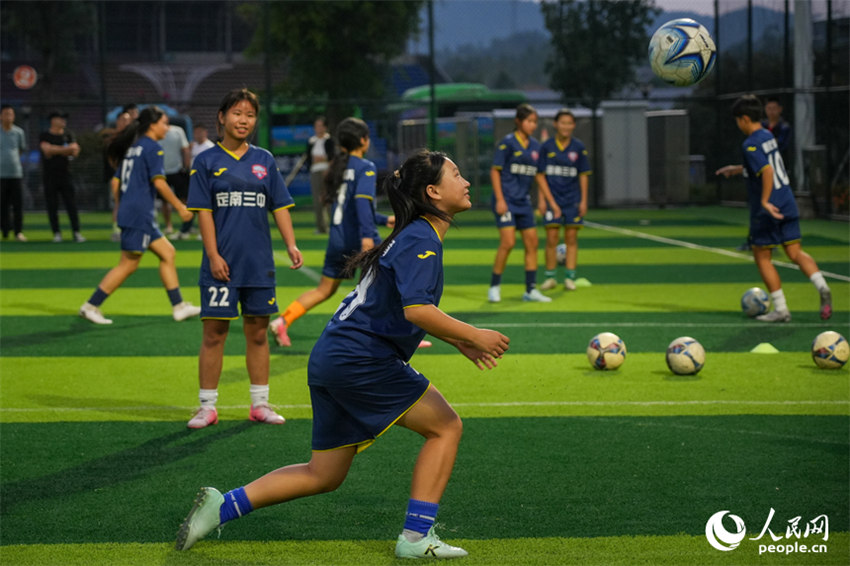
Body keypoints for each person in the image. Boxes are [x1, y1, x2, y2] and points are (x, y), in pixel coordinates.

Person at [175, 149, 510, 559]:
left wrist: (459, 341)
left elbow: (401, 306)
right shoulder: (422, 237)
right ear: (433, 192)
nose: (467, 181)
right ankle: (415, 538)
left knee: (323, 474)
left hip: (334, 358)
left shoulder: (414, 234)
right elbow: (417, 310)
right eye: (457, 173)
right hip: (360, 360)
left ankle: (221, 506)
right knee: (446, 427)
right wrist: (474, 334)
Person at [184, 88, 303, 429]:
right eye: (237, 113)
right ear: (222, 117)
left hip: (258, 263)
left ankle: (260, 404)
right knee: (214, 333)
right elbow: (203, 212)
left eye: (250, 115)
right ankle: (207, 407)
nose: (243, 120)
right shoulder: (206, 161)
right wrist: (213, 255)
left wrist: (291, 244)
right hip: (220, 265)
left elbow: (279, 206)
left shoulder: (264, 160)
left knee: (258, 332)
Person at [269, 117, 394, 347]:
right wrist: (368, 236)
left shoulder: (338, 168)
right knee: (388, 285)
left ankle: (283, 321)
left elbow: (351, 210)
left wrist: (384, 219)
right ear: (364, 141)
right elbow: (360, 204)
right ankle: (392, 338)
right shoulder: (366, 167)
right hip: (359, 240)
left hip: (338, 240)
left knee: (324, 290)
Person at [78, 106, 201, 325]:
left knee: (168, 253)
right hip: (139, 214)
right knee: (128, 264)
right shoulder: (152, 148)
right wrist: (180, 207)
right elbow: (160, 183)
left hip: (134, 212)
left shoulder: (133, 148)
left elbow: (116, 182)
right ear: (152, 125)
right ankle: (91, 305)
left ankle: (179, 306)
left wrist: (123, 204)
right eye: (164, 123)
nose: (167, 127)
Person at [715, 94, 832, 322]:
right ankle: (822, 286)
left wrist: (765, 201)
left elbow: (767, 171)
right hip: (787, 200)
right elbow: (765, 164)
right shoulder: (767, 135)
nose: (738, 125)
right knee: (795, 252)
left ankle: (781, 309)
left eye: (738, 120)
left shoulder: (749, 143)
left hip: (769, 209)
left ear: (745, 119)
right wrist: (738, 169)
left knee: (762, 257)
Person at [487, 103, 550, 303]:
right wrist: (500, 200)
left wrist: (544, 202)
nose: (533, 125)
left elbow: (539, 176)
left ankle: (530, 290)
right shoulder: (507, 143)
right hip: (506, 200)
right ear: (518, 121)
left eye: (535, 122)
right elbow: (495, 171)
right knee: (508, 242)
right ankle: (494, 286)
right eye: (529, 121)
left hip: (523, 202)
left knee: (532, 242)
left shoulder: (536, 147)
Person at [535, 108, 592, 292]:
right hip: (553, 200)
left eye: (569, 123)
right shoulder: (547, 147)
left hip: (572, 200)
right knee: (551, 238)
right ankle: (550, 277)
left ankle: (569, 278)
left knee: (571, 238)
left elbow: (583, 175)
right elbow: (540, 175)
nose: (566, 126)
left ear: (573, 125)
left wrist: (583, 200)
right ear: (556, 124)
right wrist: (543, 201)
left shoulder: (578, 147)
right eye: (562, 122)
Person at [39, 110, 84, 243]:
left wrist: (55, 150)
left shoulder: (68, 135)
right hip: (50, 176)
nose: (64, 121)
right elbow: (46, 150)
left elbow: (75, 150)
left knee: (71, 204)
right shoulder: (45, 135)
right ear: (53, 120)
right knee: (52, 205)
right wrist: (65, 150)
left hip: (66, 175)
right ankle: (57, 233)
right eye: (61, 118)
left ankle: (76, 232)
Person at [158, 123, 191, 235]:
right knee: (164, 201)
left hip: (177, 170)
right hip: (161, 173)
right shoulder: (155, 133)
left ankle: (186, 225)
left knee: (184, 198)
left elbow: (185, 149)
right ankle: (168, 226)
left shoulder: (178, 131)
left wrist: (186, 167)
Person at [1, 104, 27, 242]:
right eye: (5, 114)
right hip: (0, 175)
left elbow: (21, 150)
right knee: (2, 205)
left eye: (11, 114)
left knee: (18, 204)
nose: (8, 117)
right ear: (1, 116)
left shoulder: (19, 132)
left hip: (16, 174)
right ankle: (4, 231)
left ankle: (18, 231)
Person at [306, 116, 335, 234]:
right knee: (317, 200)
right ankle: (321, 227)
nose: (318, 128)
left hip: (326, 171)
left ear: (325, 127)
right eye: (316, 126)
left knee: (328, 198)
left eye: (321, 126)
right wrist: (318, 159)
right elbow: (309, 159)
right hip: (315, 172)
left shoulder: (329, 140)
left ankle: (333, 226)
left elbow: (331, 157)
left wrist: (322, 160)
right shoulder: (311, 141)